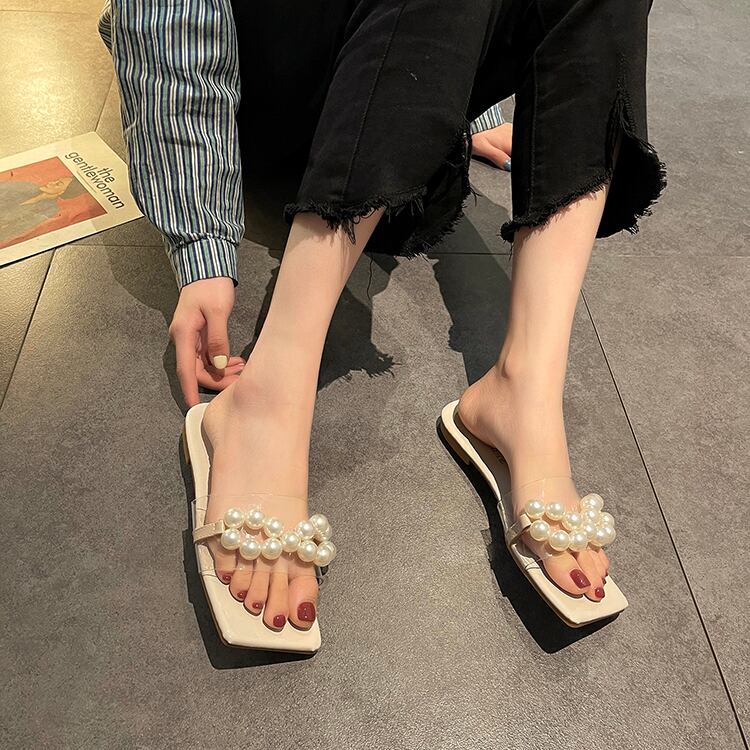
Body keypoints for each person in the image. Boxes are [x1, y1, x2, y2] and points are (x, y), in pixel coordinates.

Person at [101, 0, 664, 635]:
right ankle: (267, 397)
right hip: (265, 99)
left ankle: (526, 386)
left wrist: (466, 94)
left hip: (407, 101)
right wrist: (199, 236)